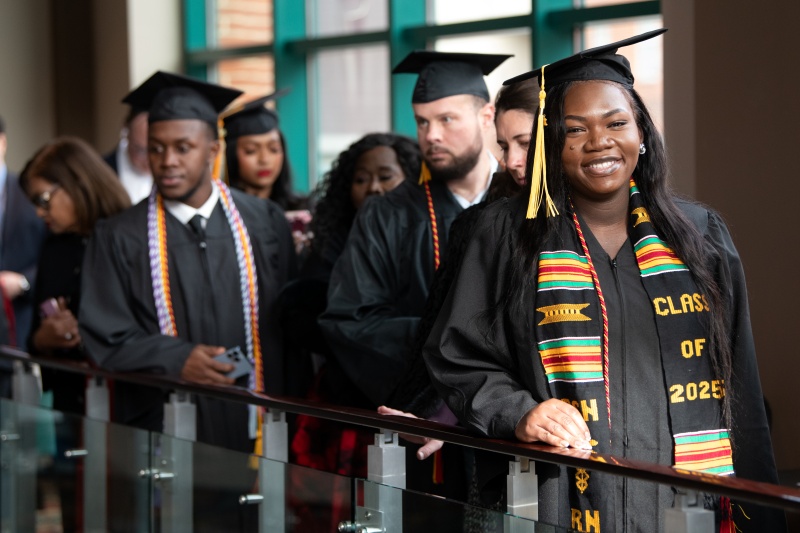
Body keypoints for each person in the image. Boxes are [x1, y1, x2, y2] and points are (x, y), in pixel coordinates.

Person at [423, 30, 785, 532]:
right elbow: (458, 354)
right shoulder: (505, 235)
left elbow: (740, 383)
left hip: (682, 501)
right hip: (556, 495)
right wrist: (519, 411)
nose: (599, 142)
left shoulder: (700, 236)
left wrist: (761, 513)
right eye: (574, 129)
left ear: (642, 133)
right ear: (553, 144)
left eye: (616, 122)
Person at [79, 71, 296, 449]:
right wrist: (178, 359)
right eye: (156, 148)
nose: (167, 161)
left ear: (212, 150)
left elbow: (288, 328)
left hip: (261, 425)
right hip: (163, 428)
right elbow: (105, 334)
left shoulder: (264, 221)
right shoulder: (118, 235)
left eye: (183, 148)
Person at [318, 51, 509, 409]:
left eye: (446, 119)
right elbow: (350, 320)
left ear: (487, 116)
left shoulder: (525, 198)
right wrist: (444, 341)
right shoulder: (387, 213)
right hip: (422, 411)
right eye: (422, 122)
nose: (431, 135)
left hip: (513, 411)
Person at [20, 136, 130, 415]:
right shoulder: (54, 247)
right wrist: (44, 338)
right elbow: (33, 338)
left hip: (125, 401)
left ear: (76, 183)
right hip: (70, 403)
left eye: (43, 199)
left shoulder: (130, 238)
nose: (39, 212)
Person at [0, 114, 46, 396]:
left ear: (2, 142)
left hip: (21, 333)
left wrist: (24, 282)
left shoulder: (31, 193)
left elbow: (55, 259)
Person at [222, 90, 305, 211]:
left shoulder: (303, 210)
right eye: (251, 151)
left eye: (274, 149)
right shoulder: (223, 212)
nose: (264, 160)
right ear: (230, 155)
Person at [103, 106, 154, 204]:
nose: (149, 160)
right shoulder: (103, 171)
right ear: (126, 132)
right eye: (140, 151)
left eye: (155, 150)